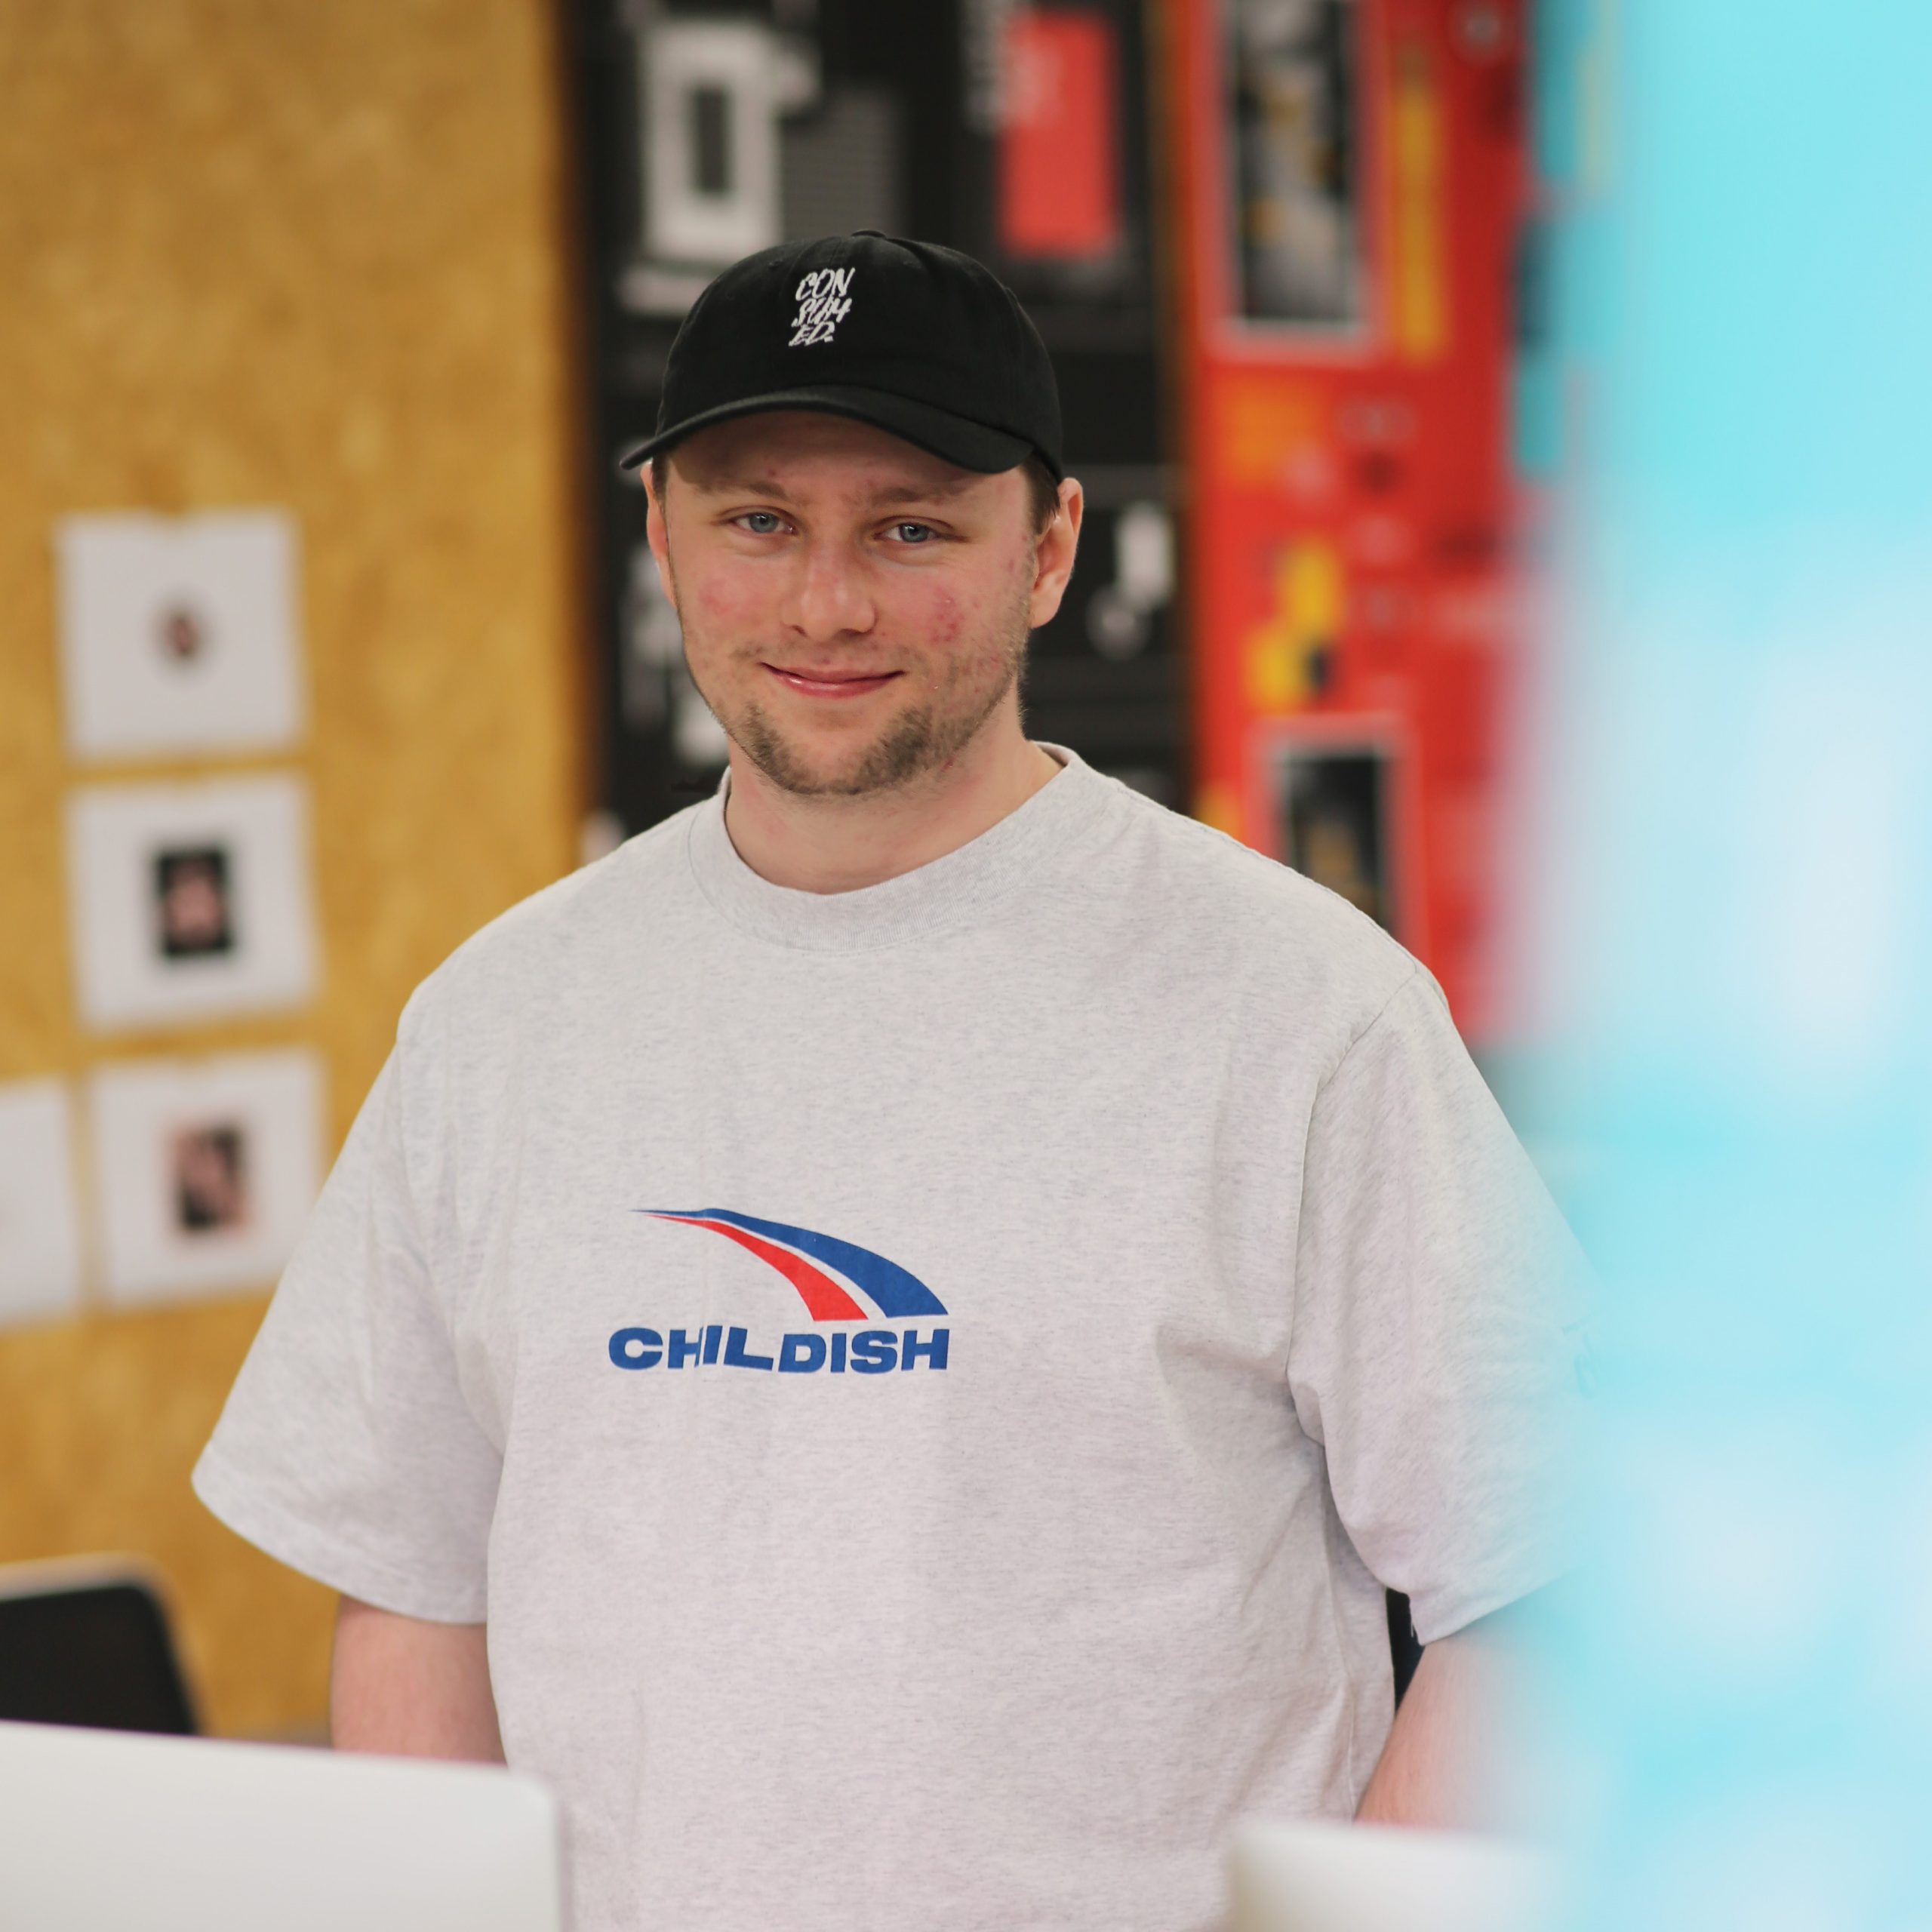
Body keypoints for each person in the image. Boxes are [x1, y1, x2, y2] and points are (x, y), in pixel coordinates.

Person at [194, 231, 1584, 1932]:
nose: (824, 602)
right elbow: (413, 1589)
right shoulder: (496, 1024)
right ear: (660, 536)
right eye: (756, 520)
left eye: (910, 526)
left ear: (1049, 548)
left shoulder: (1299, 1013)